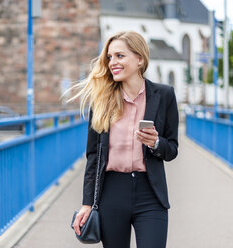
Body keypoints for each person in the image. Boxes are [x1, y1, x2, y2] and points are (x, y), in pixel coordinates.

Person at [71, 30, 179, 248]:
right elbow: (93, 157)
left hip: (150, 194)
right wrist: (86, 203)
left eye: (120, 56)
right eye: (110, 57)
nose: (112, 62)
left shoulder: (164, 95)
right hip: (111, 194)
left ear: (140, 59)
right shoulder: (101, 101)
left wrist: (155, 143)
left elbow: (172, 149)